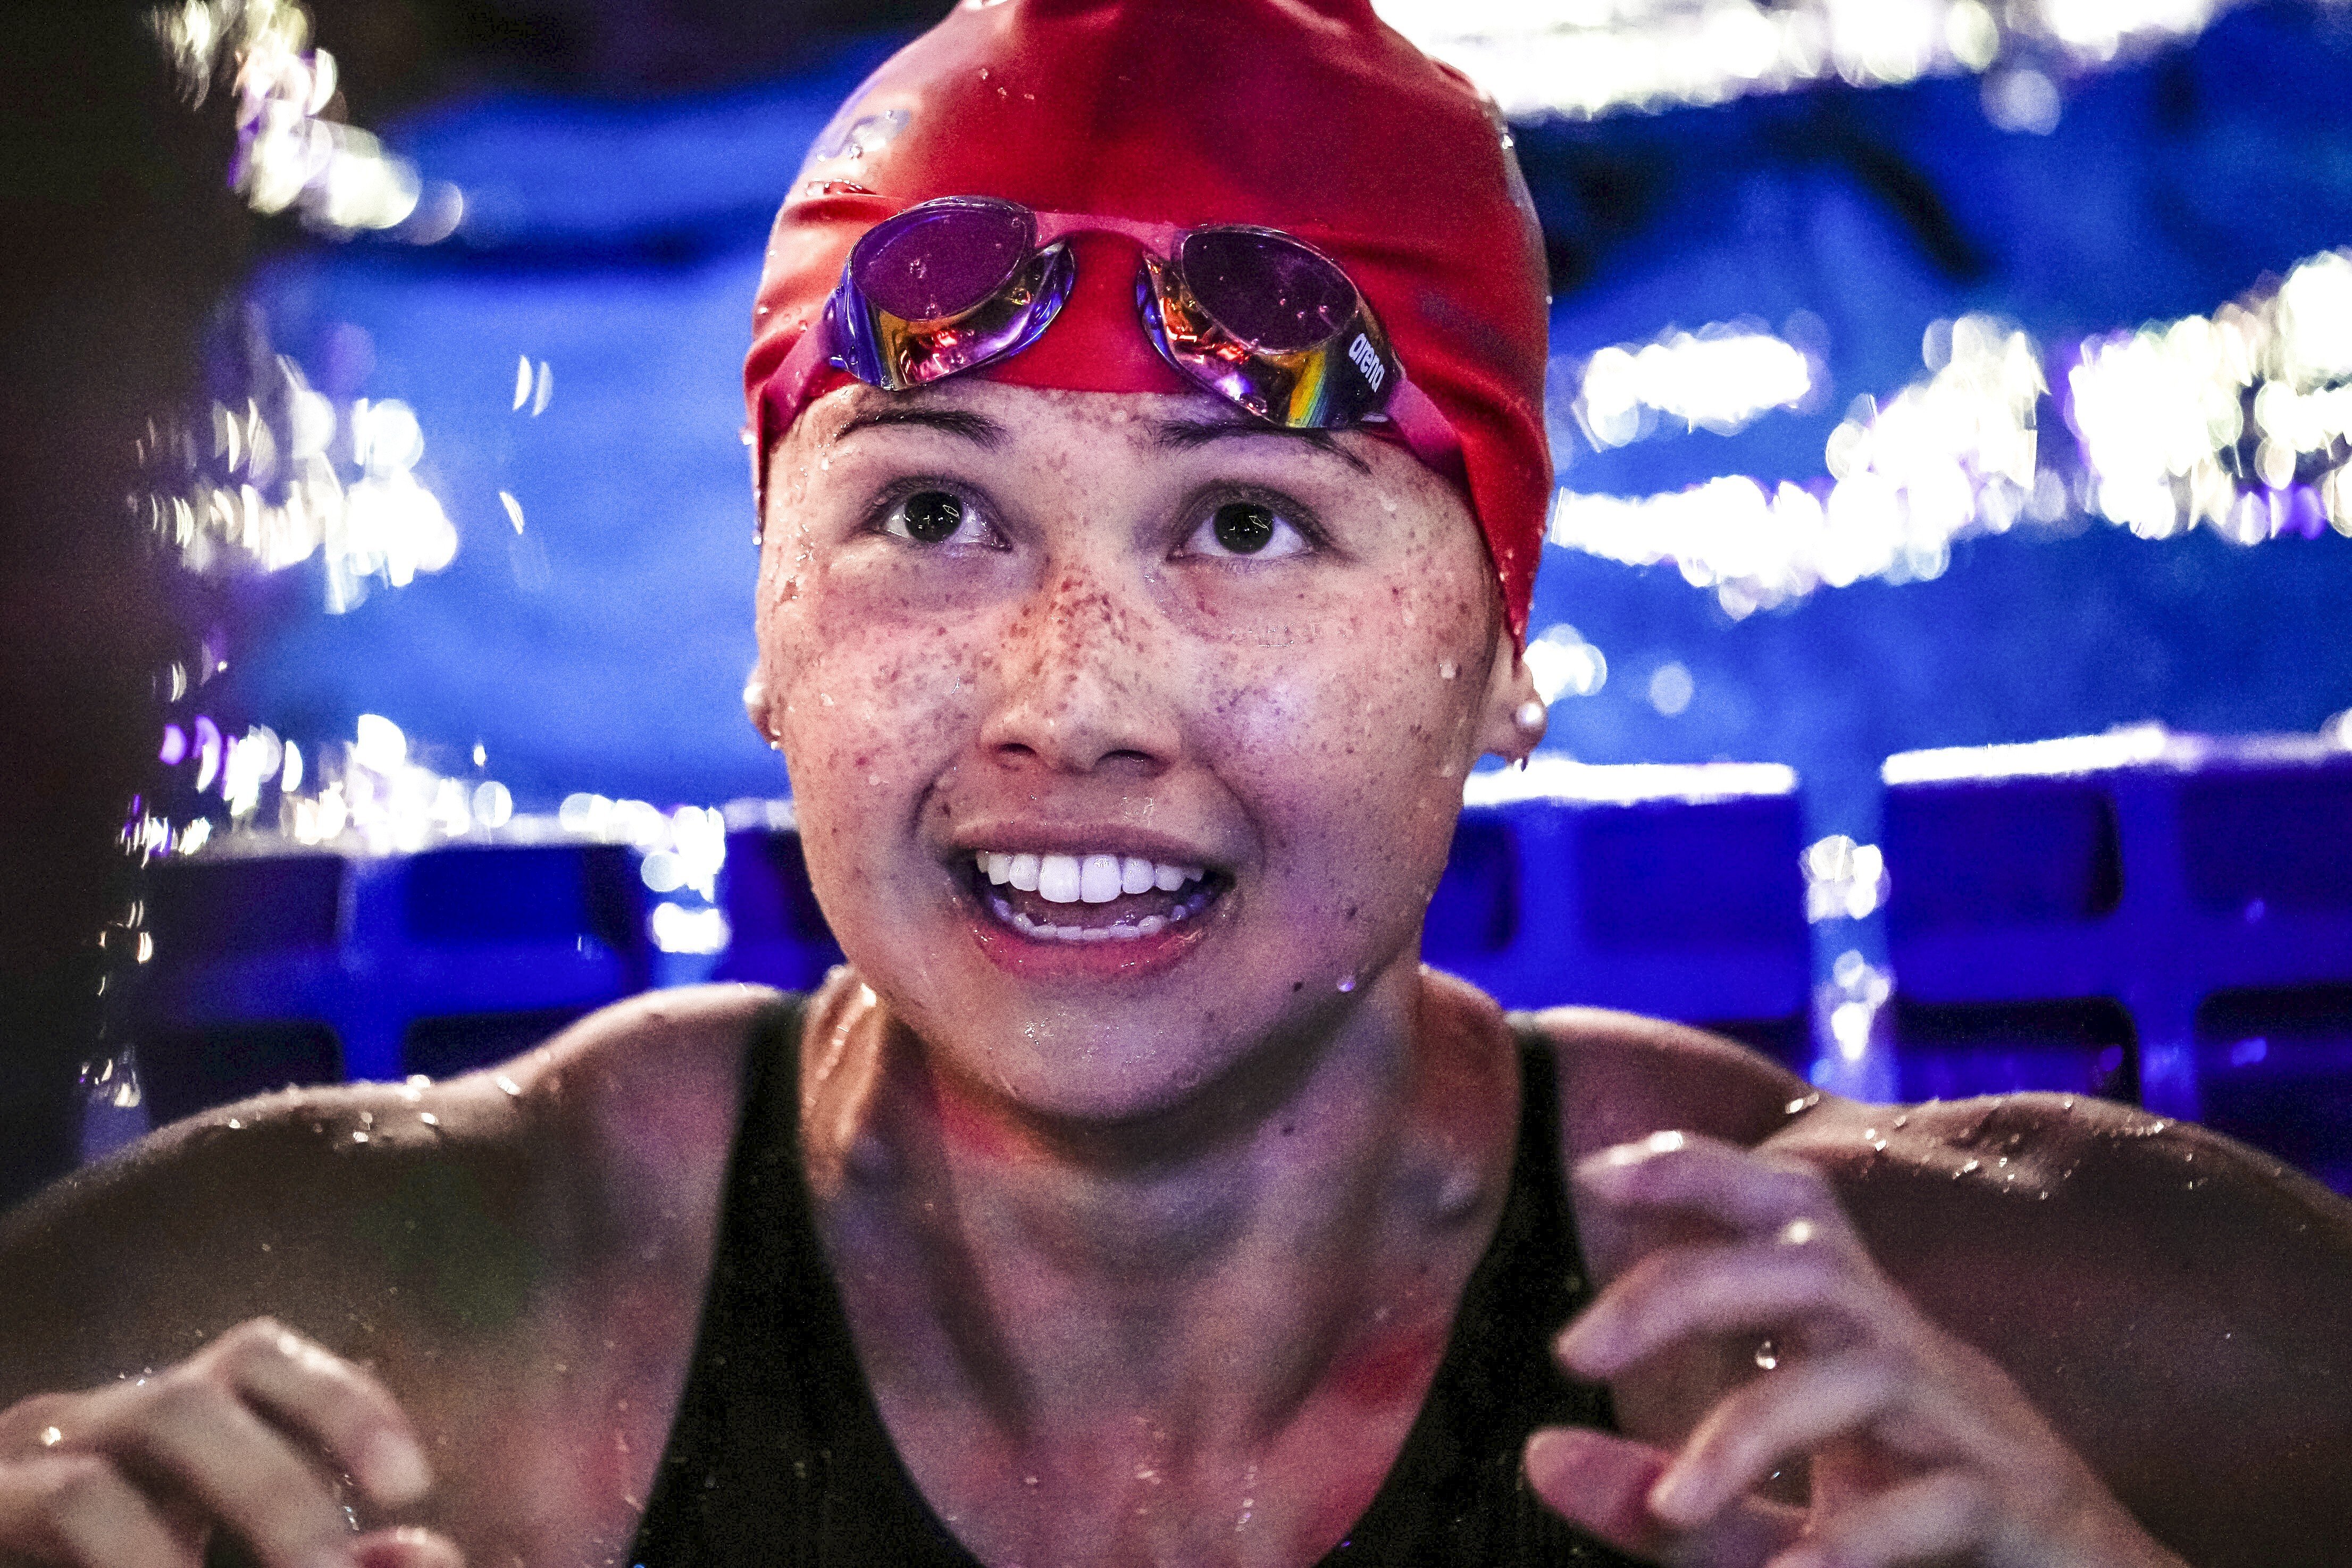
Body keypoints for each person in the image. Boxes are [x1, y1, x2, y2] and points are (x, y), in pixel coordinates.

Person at [3, 2, 2349, 1564]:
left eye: (1243, 522)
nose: (1068, 699)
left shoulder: (2025, 1343)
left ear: (1501, 653)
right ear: (762, 626)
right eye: (928, 510)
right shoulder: (336, 1341)